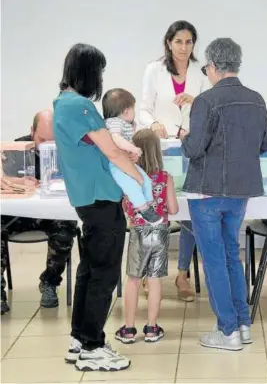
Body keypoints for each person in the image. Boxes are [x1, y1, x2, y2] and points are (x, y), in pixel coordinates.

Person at [181, 38, 267, 351]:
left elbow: (194, 148)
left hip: (207, 191)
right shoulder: (256, 99)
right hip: (241, 191)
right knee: (232, 255)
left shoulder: (205, 101)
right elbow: (265, 145)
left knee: (215, 260)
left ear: (213, 66)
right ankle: (243, 324)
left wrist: (183, 136)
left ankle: (228, 331)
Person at [53, 43, 137, 371]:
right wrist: (139, 181)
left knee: (89, 269)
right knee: (104, 273)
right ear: (88, 72)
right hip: (101, 198)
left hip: (88, 199)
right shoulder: (81, 106)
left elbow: (101, 146)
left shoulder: (62, 104)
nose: (101, 78)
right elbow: (112, 151)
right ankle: (92, 345)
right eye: (99, 71)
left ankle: (80, 338)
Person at [139, 20, 209, 302]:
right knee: (156, 211)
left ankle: (183, 274)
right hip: (160, 151)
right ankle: (148, 271)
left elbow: (208, 110)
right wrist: (153, 122)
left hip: (190, 150)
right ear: (169, 42)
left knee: (189, 211)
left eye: (189, 42)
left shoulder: (200, 72)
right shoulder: (153, 70)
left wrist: (197, 102)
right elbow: (143, 108)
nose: (184, 47)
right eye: (178, 41)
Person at [1, 110, 78, 314]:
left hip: (51, 214)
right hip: (19, 215)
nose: (46, 146)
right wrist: (17, 184)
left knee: (66, 228)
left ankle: (50, 282)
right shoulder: (16, 150)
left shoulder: (69, 150)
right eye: (41, 139)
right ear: (31, 131)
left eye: (52, 141)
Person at [115, 129, 178, 344]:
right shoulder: (165, 177)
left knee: (133, 279)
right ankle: (152, 327)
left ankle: (129, 328)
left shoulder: (129, 175)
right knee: (154, 279)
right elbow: (174, 208)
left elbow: (125, 204)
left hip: (138, 230)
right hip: (161, 231)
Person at [103, 88, 162, 225]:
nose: (134, 113)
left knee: (146, 181)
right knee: (131, 185)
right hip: (116, 165)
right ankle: (143, 208)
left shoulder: (125, 124)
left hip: (126, 162)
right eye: (133, 109)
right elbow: (116, 139)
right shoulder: (114, 123)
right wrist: (133, 148)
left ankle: (148, 207)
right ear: (126, 111)